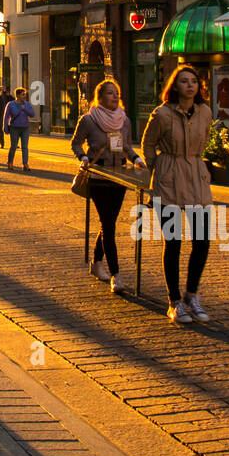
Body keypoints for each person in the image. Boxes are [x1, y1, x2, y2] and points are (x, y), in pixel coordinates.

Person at [141, 64, 214, 325]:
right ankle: (174, 302)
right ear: (175, 86)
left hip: (196, 179)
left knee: (202, 241)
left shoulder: (205, 112)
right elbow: (148, 144)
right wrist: (158, 169)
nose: (190, 85)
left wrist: (196, 164)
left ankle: (191, 294)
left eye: (194, 81)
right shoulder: (161, 114)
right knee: (173, 242)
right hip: (169, 181)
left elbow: (204, 139)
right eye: (184, 81)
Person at [71, 79, 146, 295]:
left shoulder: (124, 121)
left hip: (119, 177)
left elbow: (126, 146)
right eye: (110, 93)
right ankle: (116, 274)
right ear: (100, 96)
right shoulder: (88, 119)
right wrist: (83, 156)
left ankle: (96, 262)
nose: (115, 97)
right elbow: (76, 142)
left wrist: (136, 159)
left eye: (117, 93)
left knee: (109, 223)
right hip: (99, 176)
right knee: (108, 224)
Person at [3, 88, 36, 171]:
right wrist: (5, 127)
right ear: (17, 95)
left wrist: (24, 108)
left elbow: (32, 114)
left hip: (25, 128)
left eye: (24, 94)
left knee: (25, 147)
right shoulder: (11, 104)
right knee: (13, 146)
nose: (24, 96)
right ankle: (10, 163)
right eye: (23, 94)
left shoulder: (27, 104)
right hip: (15, 128)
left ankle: (25, 164)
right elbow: (6, 116)